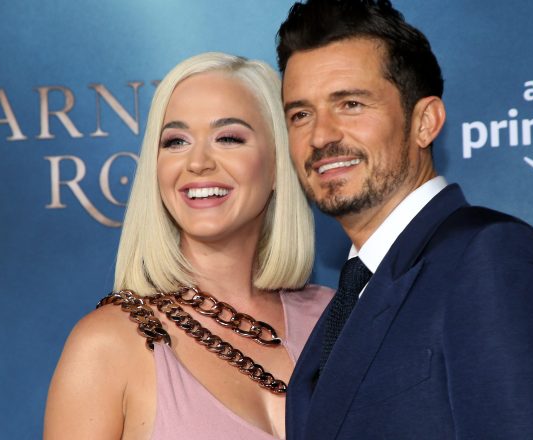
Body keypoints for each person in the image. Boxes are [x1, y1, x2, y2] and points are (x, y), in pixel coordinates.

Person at [276, 1, 533, 439]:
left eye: (350, 104)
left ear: (425, 122)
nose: (320, 135)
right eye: (300, 114)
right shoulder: (351, 296)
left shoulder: (494, 260)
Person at [43, 52, 332, 439]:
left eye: (228, 138)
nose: (197, 162)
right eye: (176, 141)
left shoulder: (338, 318)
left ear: (279, 162)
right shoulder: (106, 345)